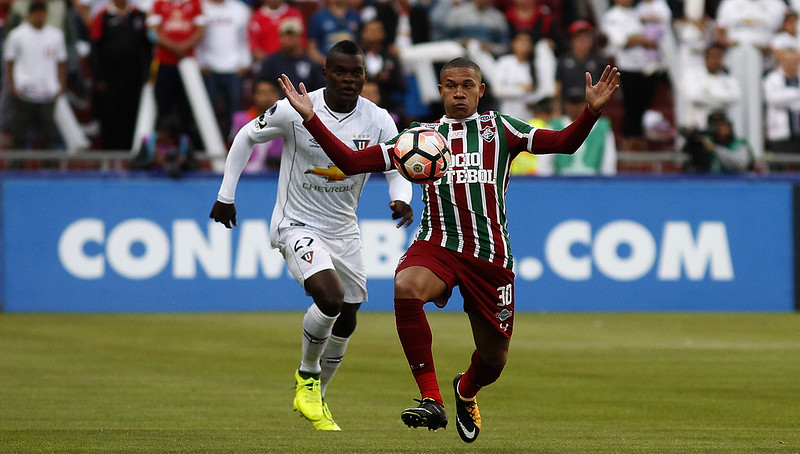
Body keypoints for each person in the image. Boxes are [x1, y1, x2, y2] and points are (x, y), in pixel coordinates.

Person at [277, 57, 620, 442]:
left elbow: (564, 143)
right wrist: (310, 118)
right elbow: (352, 161)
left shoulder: (500, 129)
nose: (459, 92)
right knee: (406, 286)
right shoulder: (418, 137)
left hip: (490, 256)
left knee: (493, 360)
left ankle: (465, 389)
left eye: (468, 85)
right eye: (451, 85)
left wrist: (591, 111)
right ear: (440, 90)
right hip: (437, 244)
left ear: (481, 90)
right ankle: (431, 398)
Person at [209, 40, 414, 431]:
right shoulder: (295, 108)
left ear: (365, 76)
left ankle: (316, 397)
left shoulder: (379, 120)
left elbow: (397, 165)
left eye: (356, 72)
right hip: (296, 223)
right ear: (325, 74)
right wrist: (226, 195)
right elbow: (246, 137)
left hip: (344, 229)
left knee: (349, 317)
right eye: (340, 71)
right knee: (330, 297)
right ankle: (307, 374)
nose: (348, 79)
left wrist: (400, 197)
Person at [3, 0, 67, 156]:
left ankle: (49, 172)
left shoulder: (56, 35)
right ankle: (16, 170)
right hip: (24, 91)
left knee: (48, 137)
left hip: (47, 92)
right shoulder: (17, 35)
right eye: (36, 13)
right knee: (20, 135)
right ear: (29, 15)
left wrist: (61, 85)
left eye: (42, 13)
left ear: (47, 14)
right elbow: (9, 62)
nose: (39, 17)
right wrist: (13, 86)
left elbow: (61, 62)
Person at [89, 0, 152, 151]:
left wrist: (147, 73)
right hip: (110, 77)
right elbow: (95, 47)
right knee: (110, 115)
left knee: (131, 113)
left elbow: (146, 46)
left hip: (134, 76)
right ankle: (109, 152)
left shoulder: (138, 15)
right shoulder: (102, 16)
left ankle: (129, 151)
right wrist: (98, 77)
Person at [196, 0, 251, 140]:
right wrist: (201, 62)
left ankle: (233, 141)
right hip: (209, 67)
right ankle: (207, 141)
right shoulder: (200, 6)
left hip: (233, 67)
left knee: (234, 109)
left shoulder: (240, 9)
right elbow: (197, 38)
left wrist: (245, 61)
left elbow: (244, 38)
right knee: (207, 109)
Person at [537, 88, 617, 176]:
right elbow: (544, 162)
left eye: (579, 103)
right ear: (566, 105)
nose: (575, 107)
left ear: (586, 104)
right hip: (563, 181)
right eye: (572, 103)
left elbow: (609, 160)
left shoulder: (602, 127)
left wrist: (606, 182)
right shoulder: (554, 126)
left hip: (593, 181)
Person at [257, 18, 324, 95]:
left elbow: (317, 90)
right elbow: (262, 86)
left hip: (304, 104)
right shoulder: (270, 62)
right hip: (278, 104)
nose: (289, 39)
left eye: (292, 36)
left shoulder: (310, 63)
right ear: (280, 37)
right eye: (285, 36)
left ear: (300, 38)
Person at [682, 111, 754, 173]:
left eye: (722, 125)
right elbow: (688, 161)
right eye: (715, 125)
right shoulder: (707, 142)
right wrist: (693, 141)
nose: (719, 129)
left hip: (738, 185)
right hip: (710, 185)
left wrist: (715, 149)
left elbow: (740, 165)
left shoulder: (739, 144)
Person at [763, 45, 800, 154]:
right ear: (781, 61)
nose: (791, 64)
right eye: (788, 61)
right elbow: (774, 99)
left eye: (794, 60)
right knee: (782, 166)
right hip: (780, 135)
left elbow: (782, 99)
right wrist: (797, 93)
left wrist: (786, 98)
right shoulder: (772, 79)